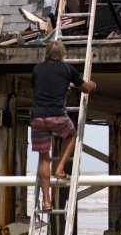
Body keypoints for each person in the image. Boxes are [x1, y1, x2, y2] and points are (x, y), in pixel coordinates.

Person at [29, 40, 96, 210]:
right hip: (56, 116)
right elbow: (86, 88)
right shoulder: (67, 69)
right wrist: (93, 84)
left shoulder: (37, 69)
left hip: (37, 117)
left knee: (43, 157)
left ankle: (46, 201)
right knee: (72, 134)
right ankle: (59, 168)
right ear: (62, 54)